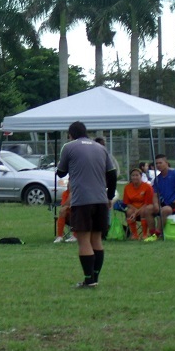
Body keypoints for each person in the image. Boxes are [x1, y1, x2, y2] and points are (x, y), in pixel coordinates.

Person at [56, 121, 117, 288]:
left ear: (71, 134)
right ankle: (95, 277)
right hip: (100, 199)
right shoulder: (101, 148)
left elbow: (60, 172)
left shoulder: (69, 147)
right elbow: (112, 174)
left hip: (82, 200)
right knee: (97, 239)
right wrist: (109, 196)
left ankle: (88, 279)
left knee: (84, 241)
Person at [122, 168, 157, 239]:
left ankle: (145, 234)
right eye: (133, 175)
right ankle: (134, 234)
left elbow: (148, 203)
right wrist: (135, 211)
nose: (135, 177)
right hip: (133, 207)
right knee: (129, 212)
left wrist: (136, 212)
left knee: (144, 211)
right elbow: (127, 203)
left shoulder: (147, 187)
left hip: (144, 207)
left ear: (141, 176)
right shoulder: (127, 187)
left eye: (137, 175)